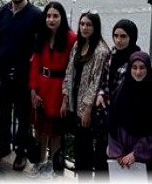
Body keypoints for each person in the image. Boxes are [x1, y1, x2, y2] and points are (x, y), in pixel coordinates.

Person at [0, 0, 43, 171]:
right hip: (2, 74)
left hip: (24, 76)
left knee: (23, 117)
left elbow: (39, 48)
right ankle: (3, 146)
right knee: (2, 114)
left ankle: (21, 152)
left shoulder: (36, 15)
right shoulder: (1, 11)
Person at [28, 1, 76, 178]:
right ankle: (40, 162)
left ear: (62, 18)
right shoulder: (41, 35)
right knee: (40, 129)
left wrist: (66, 97)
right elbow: (35, 64)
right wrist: (33, 90)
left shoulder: (71, 38)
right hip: (42, 85)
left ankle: (54, 166)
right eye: (48, 16)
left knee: (56, 131)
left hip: (58, 88)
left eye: (55, 16)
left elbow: (72, 70)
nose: (51, 19)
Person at [62, 10, 110, 180]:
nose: (84, 28)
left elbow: (97, 81)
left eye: (89, 24)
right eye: (82, 24)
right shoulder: (77, 45)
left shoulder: (101, 51)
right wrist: (65, 98)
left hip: (87, 108)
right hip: (74, 102)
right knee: (79, 145)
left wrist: (88, 108)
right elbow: (69, 71)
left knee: (87, 146)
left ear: (96, 27)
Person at [106, 52, 152, 175]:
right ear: (129, 68)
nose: (138, 72)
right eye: (134, 67)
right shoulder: (120, 92)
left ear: (148, 68)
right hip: (120, 154)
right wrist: (117, 153)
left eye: (142, 67)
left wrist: (136, 154)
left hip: (143, 156)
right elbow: (112, 123)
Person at [97, 19, 141, 110]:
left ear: (131, 37)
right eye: (115, 36)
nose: (118, 40)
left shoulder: (137, 60)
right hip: (108, 109)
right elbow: (104, 81)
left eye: (123, 36)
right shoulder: (111, 55)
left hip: (127, 110)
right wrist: (101, 94)